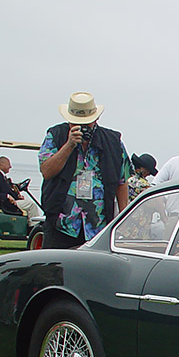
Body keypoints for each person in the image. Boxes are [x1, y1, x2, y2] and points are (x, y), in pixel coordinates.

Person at [38, 91, 131, 249]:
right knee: (56, 271)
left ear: (96, 119)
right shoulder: (55, 135)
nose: (81, 127)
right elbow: (46, 171)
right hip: (61, 225)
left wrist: (124, 221)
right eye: (75, 122)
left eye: (86, 123)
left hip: (99, 227)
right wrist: (69, 145)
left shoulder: (113, 142)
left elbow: (122, 183)